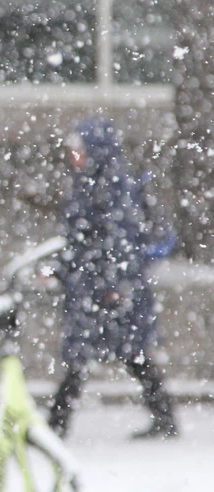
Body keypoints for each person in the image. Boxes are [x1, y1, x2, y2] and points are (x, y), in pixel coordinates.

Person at [48, 117, 178, 439]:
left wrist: (114, 284)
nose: (73, 156)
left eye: (77, 149)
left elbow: (118, 240)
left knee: (92, 357)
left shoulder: (111, 184)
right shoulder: (95, 181)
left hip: (104, 290)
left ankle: (55, 426)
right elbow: (82, 239)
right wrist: (61, 270)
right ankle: (163, 418)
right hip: (98, 286)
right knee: (128, 355)